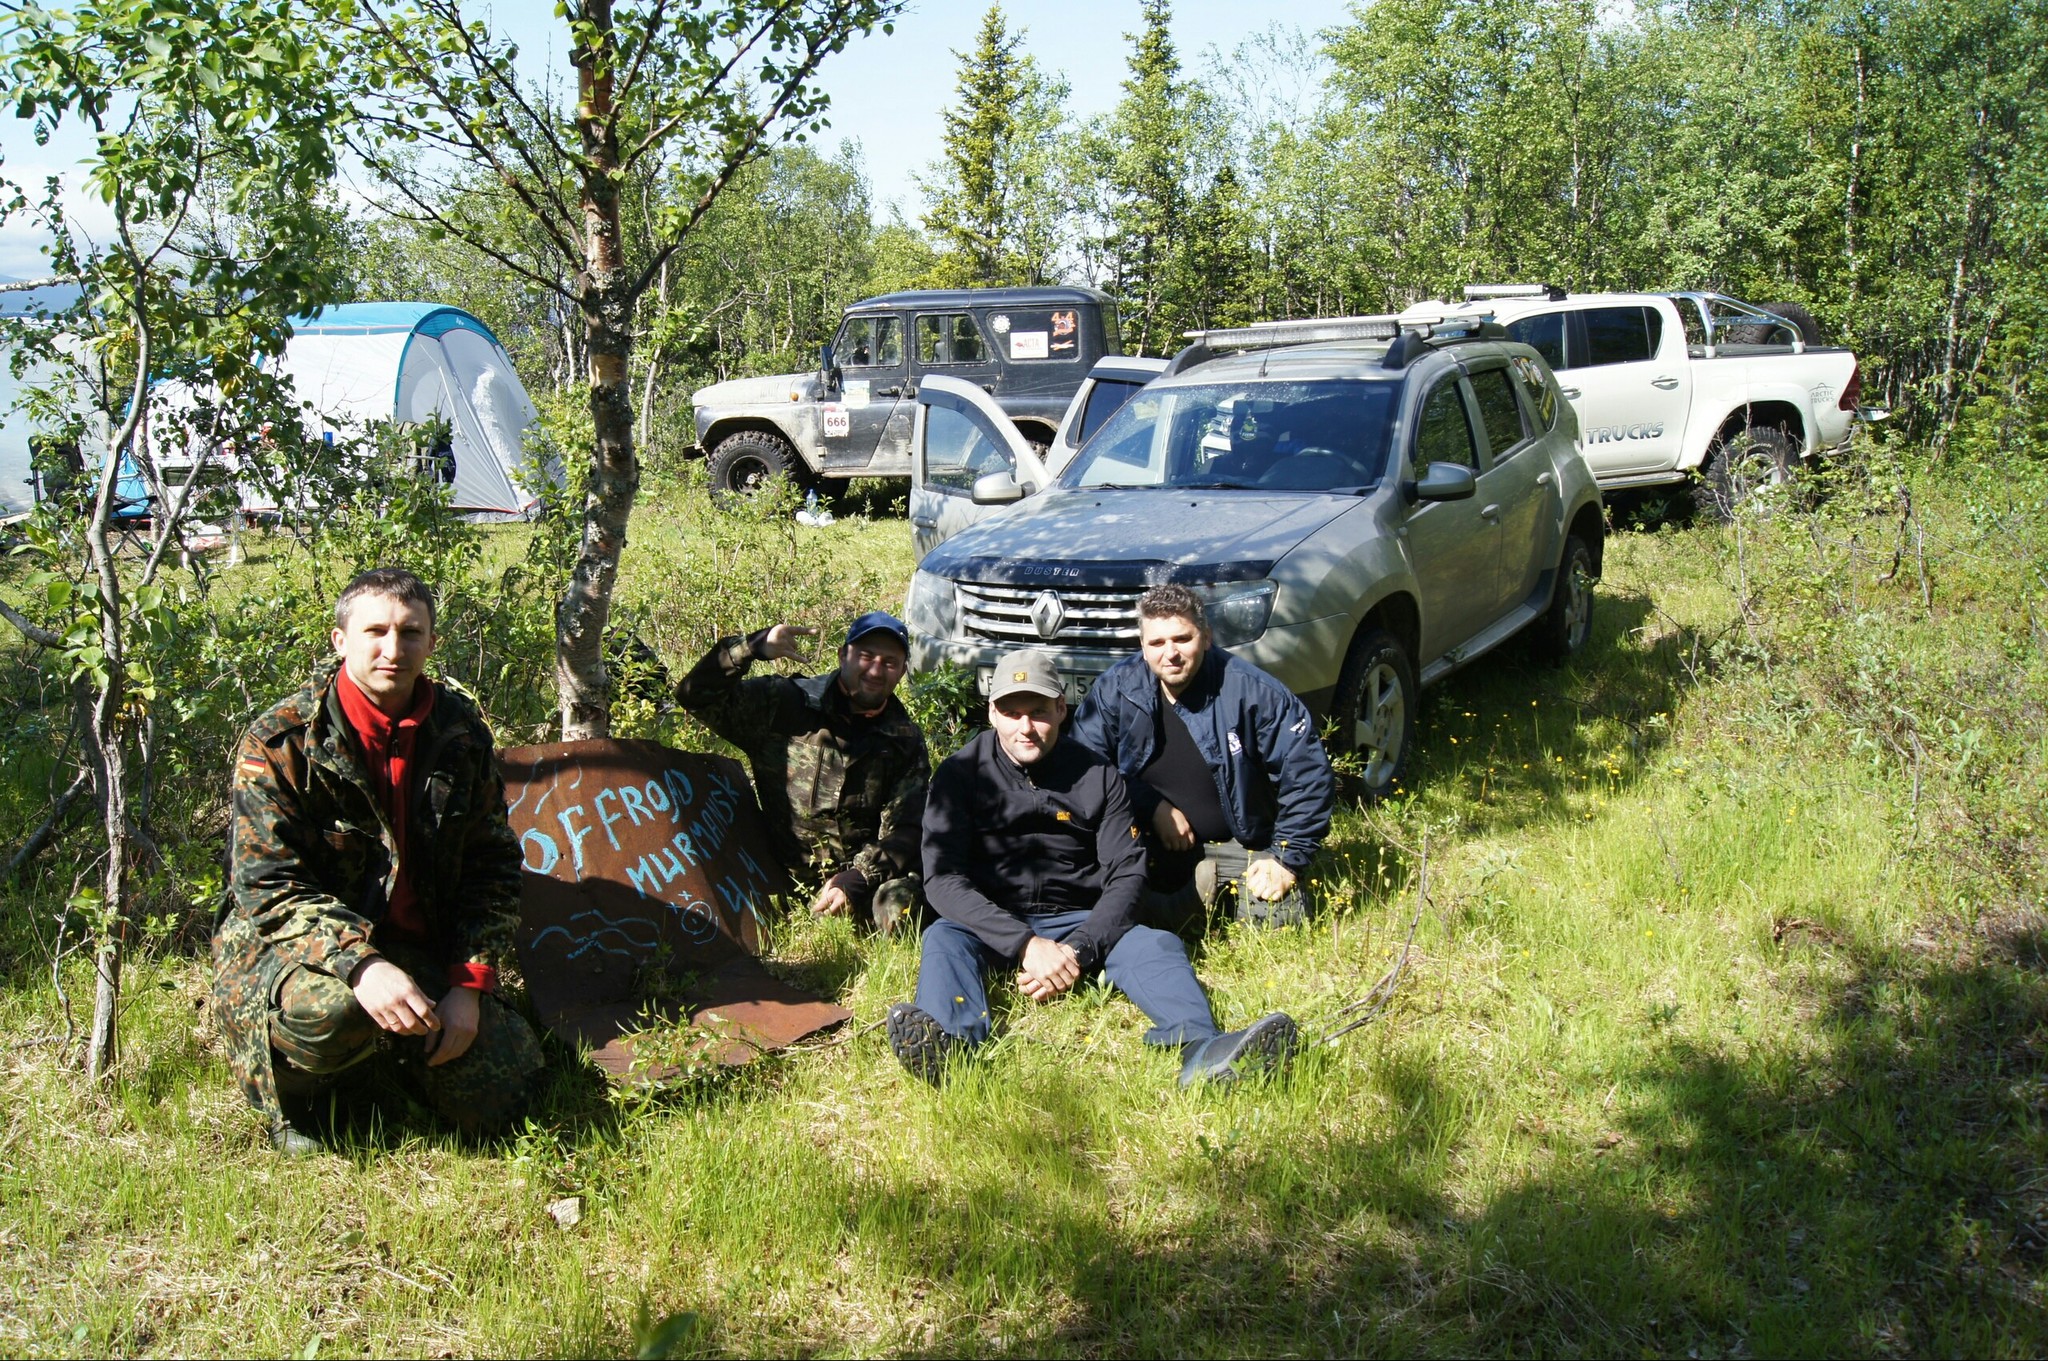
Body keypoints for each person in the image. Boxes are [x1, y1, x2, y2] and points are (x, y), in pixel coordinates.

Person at [213, 567, 542, 1155]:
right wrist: (361, 965)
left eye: (411, 632)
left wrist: (469, 984)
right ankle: (306, 1097)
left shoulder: (460, 731)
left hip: (417, 940)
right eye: (376, 631)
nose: (394, 649)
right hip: (298, 946)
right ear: (341, 641)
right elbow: (267, 886)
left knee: (506, 1092)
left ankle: (393, 1052)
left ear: (432, 642)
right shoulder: (283, 741)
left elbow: (491, 865)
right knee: (333, 1012)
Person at [886, 648, 1298, 1088]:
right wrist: (1026, 945)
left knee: (1154, 946)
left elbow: (1127, 873)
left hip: (1081, 918)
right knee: (942, 937)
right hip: (991, 918)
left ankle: (1205, 1051)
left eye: (1039, 712)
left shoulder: (1099, 774)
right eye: (1012, 712)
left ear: (1062, 708)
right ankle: (950, 1047)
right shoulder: (958, 774)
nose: (1025, 727)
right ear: (992, 713)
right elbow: (944, 880)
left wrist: (1077, 951)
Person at [1068, 584, 1335, 930]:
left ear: (1206, 637)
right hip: (1140, 840)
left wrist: (1286, 859)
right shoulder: (1116, 688)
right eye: (1157, 643)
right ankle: (1181, 904)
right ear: (1143, 647)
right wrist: (1151, 805)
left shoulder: (1253, 692)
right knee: (1074, 890)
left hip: (1236, 843)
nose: (1171, 653)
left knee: (1281, 920)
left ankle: (1177, 905)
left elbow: (1308, 775)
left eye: (1182, 639)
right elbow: (1086, 767)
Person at [676, 610, 929, 933]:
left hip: (858, 880)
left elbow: (907, 829)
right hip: (776, 873)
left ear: (903, 671)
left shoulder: (903, 740)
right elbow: (693, 696)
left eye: (889, 662)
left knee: (902, 906)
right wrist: (749, 648)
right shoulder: (783, 703)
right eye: (865, 656)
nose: (876, 670)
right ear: (843, 655)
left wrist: (857, 877)